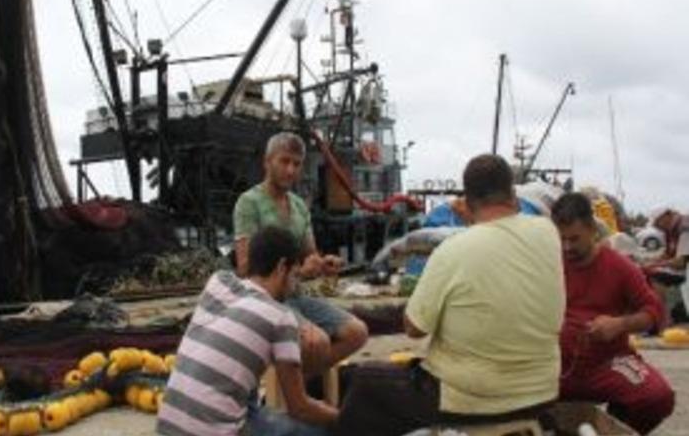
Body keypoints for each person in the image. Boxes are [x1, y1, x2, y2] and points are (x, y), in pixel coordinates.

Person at [336, 154, 565, 434]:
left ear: (466, 205)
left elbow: (414, 328)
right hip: (541, 394)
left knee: (363, 384)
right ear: (513, 195)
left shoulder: (453, 249)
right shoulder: (548, 233)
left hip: (470, 399)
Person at [157, 226, 338, 436]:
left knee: (247, 389)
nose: (293, 287)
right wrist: (344, 418)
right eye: (295, 276)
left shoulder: (218, 282)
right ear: (281, 267)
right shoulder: (280, 317)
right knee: (315, 432)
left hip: (168, 428)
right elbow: (300, 408)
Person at [233, 132, 367, 375]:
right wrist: (297, 271)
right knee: (316, 342)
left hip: (295, 297)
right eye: (284, 161)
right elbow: (245, 267)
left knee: (356, 333)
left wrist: (323, 263)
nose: (291, 170)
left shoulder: (298, 206)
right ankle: (295, 394)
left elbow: (310, 254)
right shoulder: (249, 203)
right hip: (265, 301)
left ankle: (301, 383)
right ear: (267, 162)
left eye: (296, 163)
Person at [552, 193, 674, 434]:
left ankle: (615, 427)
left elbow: (654, 313)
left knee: (658, 397)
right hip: (551, 365)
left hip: (606, 363)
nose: (567, 247)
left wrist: (618, 324)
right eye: (561, 239)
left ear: (591, 229)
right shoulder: (547, 263)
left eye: (574, 239)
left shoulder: (619, 266)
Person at [645, 207, 689, 322]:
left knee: (656, 276)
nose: (656, 227)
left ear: (666, 216)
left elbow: (681, 262)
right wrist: (651, 261)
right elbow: (668, 254)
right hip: (683, 268)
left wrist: (657, 265)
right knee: (648, 272)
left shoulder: (684, 227)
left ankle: (663, 318)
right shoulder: (669, 230)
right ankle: (654, 314)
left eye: (657, 223)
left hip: (686, 269)